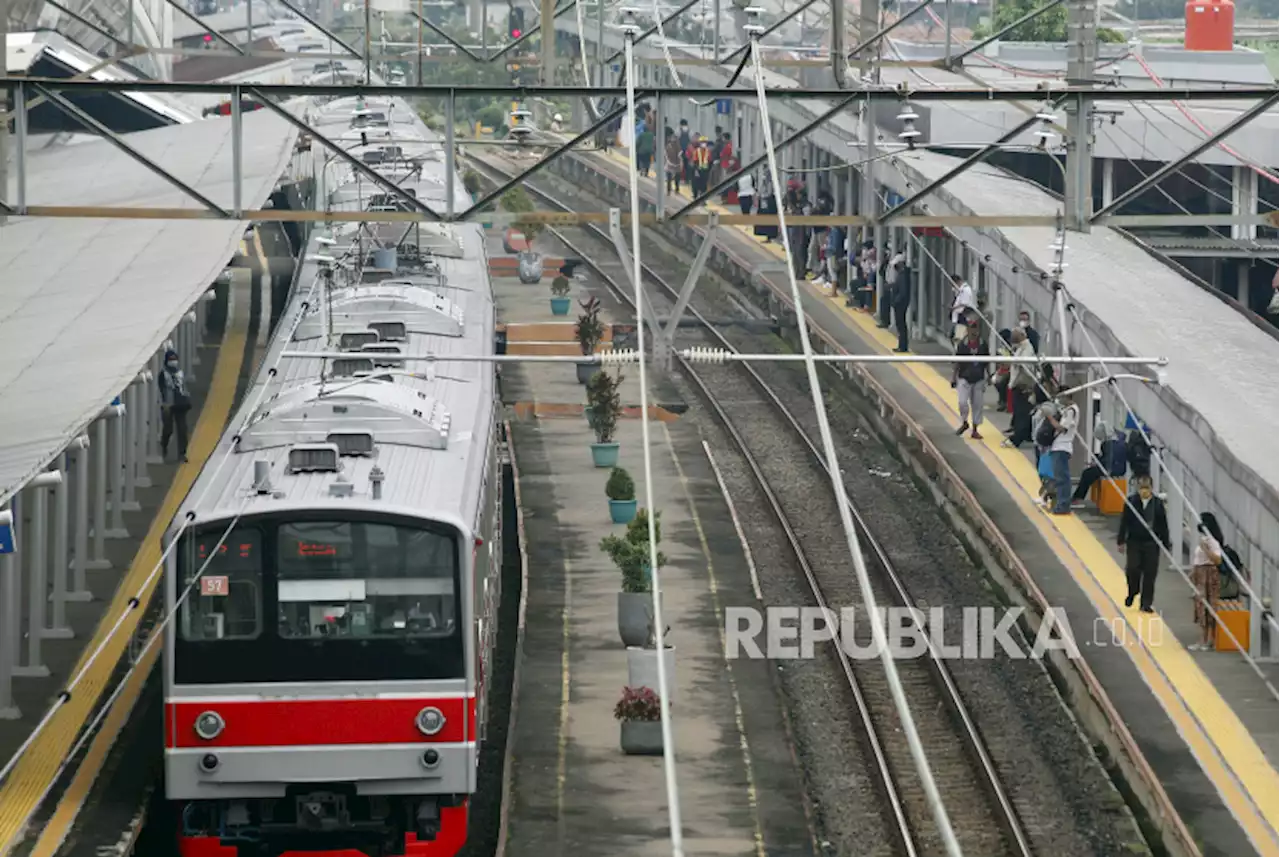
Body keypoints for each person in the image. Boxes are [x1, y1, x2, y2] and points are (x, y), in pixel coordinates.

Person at [1117, 475, 1169, 613]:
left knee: (1150, 573)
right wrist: (1121, 540)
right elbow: (1124, 521)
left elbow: (1163, 525)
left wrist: (1166, 543)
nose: (1144, 491)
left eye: (1147, 488)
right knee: (1132, 568)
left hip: (1152, 543)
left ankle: (1146, 602)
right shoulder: (1131, 502)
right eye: (1141, 488)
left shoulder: (1157, 504)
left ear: (1152, 488)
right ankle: (1133, 591)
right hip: (1134, 541)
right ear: (1137, 488)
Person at [1188, 512, 1224, 650]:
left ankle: (1207, 639)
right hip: (1200, 574)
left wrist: (1206, 550)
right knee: (1201, 606)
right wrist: (1193, 571)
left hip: (1208, 576)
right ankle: (1206, 639)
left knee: (1206, 606)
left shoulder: (1212, 541)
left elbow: (1218, 560)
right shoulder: (1205, 538)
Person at [952, 324, 989, 440]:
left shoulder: (983, 345)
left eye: (976, 329)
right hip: (964, 377)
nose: (974, 331)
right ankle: (964, 421)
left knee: (977, 404)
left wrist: (988, 375)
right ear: (968, 330)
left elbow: (987, 361)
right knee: (962, 402)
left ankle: (975, 429)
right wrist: (953, 377)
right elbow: (957, 361)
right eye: (972, 329)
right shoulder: (962, 345)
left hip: (979, 378)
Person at [1003, 328, 1037, 448]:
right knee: (1018, 412)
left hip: (1023, 386)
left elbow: (1026, 367)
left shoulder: (1027, 349)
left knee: (1022, 413)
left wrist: (1018, 363)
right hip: (1017, 385)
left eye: (1014, 335)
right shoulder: (1020, 348)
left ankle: (1016, 439)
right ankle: (1025, 435)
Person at [1046, 393, 1078, 515]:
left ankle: (1063, 505)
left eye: (1061, 397)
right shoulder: (1067, 410)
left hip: (1062, 447)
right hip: (1058, 446)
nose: (1059, 400)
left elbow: (1062, 428)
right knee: (1061, 477)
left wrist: (1050, 418)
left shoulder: (1071, 411)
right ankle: (1061, 503)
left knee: (1062, 478)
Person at [158, 348, 191, 463]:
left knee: (182, 429)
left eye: (175, 359)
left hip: (180, 404)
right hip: (168, 405)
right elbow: (162, 389)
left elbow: (184, 387)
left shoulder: (180, 372)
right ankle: (164, 444)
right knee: (168, 429)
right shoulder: (163, 374)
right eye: (171, 359)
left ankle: (182, 453)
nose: (173, 361)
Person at [890, 254, 911, 353]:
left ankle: (902, 346)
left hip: (900, 304)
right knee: (901, 324)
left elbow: (903, 292)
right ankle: (902, 345)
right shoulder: (903, 274)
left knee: (900, 324)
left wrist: (895, 301)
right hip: (901, 302)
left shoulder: (903, 276)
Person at [950, 273, 977, 342]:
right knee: (955, 336)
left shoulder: (966, 290)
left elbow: (964, 303)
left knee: (959, 337)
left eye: (953, 284)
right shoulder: (960, 290)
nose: (953, 287)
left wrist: (954, 308)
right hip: (959, 317)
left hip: (963, 317)